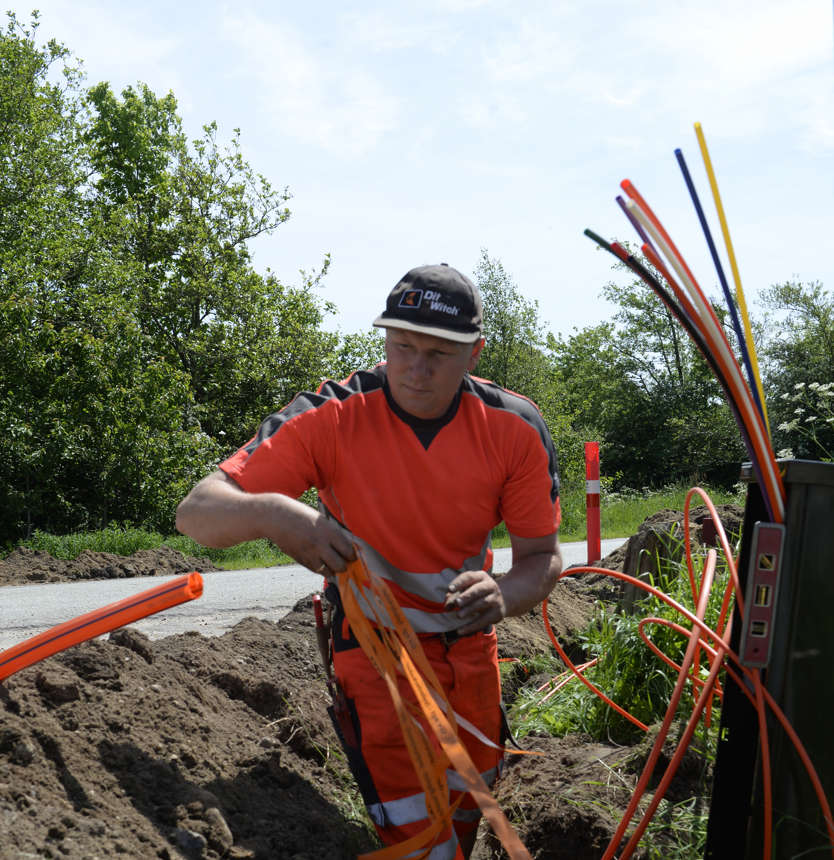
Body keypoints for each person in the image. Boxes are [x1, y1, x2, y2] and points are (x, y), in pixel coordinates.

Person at [176, 263, 563, 859]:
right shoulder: (334, 413)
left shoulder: (514, 428)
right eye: (402, 346)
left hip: (469, 651)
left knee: (468, 806)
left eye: (439, 353)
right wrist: (278, 514)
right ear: (383, 340)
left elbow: (543, 558)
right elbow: (197, 512)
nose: (416, 367)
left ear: (474, 354)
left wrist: (506, 595)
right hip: (374, 648)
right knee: (415, 831)